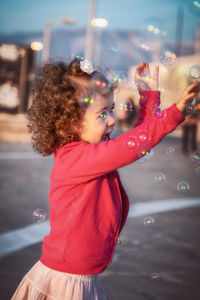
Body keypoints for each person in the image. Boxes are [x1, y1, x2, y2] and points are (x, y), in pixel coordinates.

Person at [11, 59, 199, 300]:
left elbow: (135, 140)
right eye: (102, 114)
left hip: (81, 274)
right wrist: (174, 114)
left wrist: (149, 96)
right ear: (67, 124)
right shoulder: (75, 157)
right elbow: (133, 145)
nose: (111, 120)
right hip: (68, 280)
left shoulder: (89, 152)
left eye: (111, 110)